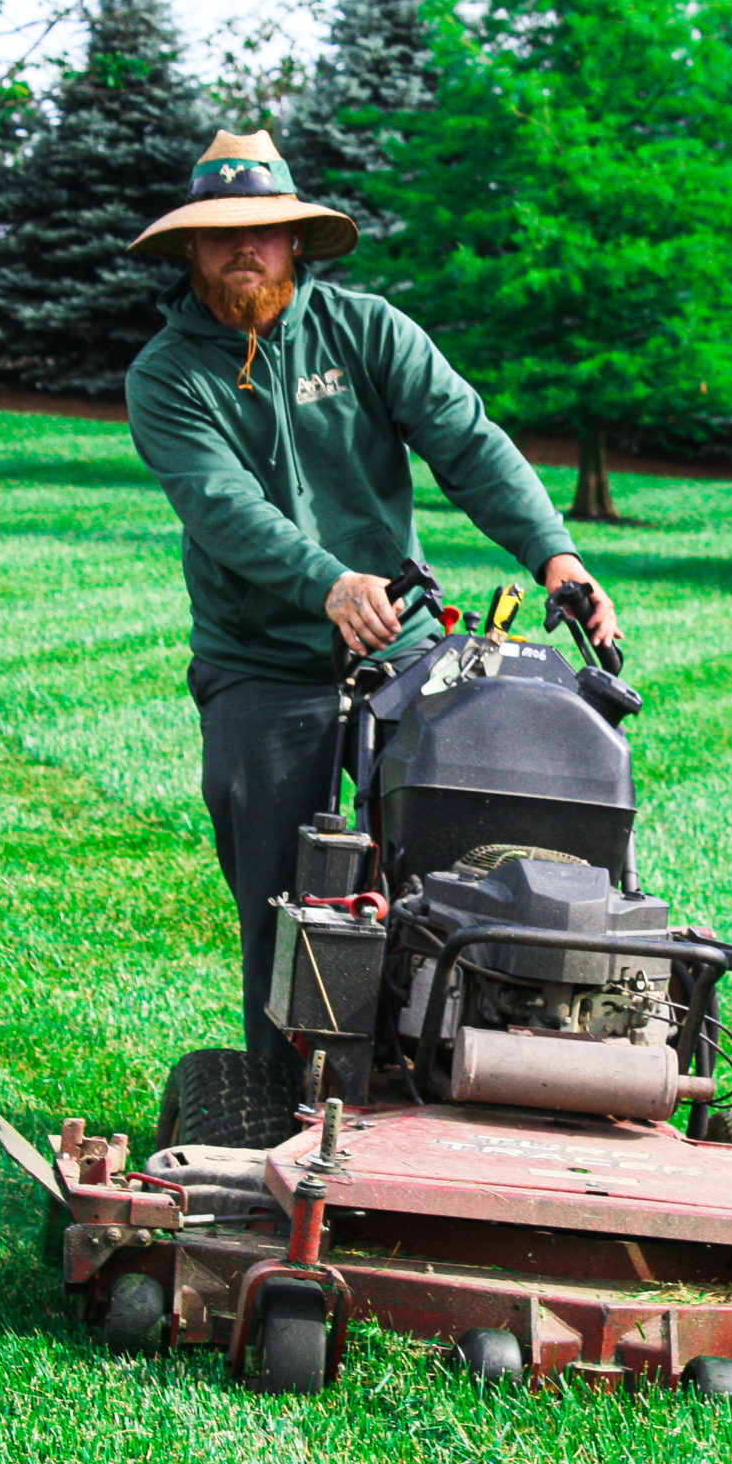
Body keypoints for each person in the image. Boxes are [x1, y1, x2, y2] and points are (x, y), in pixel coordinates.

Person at [123, 129, 622, 1077]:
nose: (245, 250)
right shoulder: (166, 376)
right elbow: (223, 507)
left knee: (466, 849)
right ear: (190, 249)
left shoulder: (366, 331)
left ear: (296, 241)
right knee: (287, 905)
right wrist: (328, 583)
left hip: (407, 648)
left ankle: (457, 1057)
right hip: (263, 662)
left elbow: (468, 442)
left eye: (264, 232)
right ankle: (282, 1099)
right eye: (223, 235)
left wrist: (555, 557)